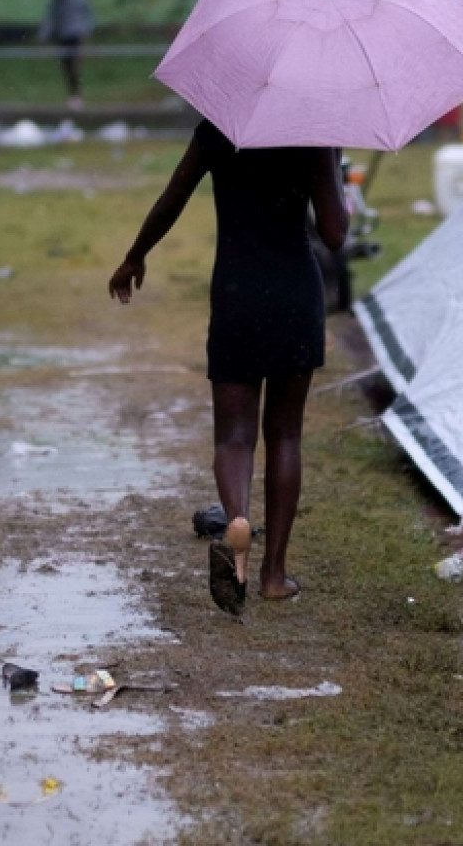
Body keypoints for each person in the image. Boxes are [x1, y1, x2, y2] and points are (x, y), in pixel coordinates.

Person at [109, 121, 347, 613]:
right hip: (294, 296)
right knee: (285, 435)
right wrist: (332, 161)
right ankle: (274, 574)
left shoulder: (221, 124)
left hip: (236, 293)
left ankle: (236, 520)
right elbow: (335, 233)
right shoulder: (315, 131)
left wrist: (135, 256)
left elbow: (173, 196)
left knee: (233, 437)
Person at [38, 0, 95, 110]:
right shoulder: (55, 3)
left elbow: (88, 15)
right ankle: (73, 94)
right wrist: (43, 37)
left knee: (74, 64)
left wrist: (87, 30)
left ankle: (76, 94)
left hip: (76, 36)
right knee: (67, 66)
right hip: (63, 37)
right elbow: (50, 21)